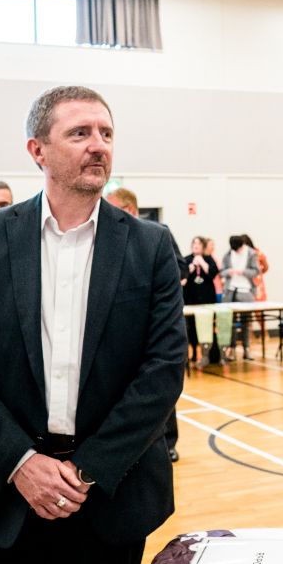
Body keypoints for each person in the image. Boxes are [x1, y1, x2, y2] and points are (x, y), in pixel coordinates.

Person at [0, 86, 186, 564]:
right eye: (79, 133)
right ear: (38, 150)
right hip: (1, 489)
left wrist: (86, 471)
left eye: (105, 133)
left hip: (106, 496)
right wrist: (19, 460)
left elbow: (163, 371)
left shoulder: (151, 245)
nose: (98, 146)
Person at [105, 185, 187, 461]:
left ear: (128, 208)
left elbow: (180, 268)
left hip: (155, 321)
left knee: (160, 381)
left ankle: (169, 442)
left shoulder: (156, 235)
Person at [221, 234, 260, 360]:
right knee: (230, 322)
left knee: (246, 322)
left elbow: (256, 271)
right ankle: (231, 349)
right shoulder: (228, 255)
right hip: (230, 290)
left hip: (246, 290)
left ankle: (246, 349)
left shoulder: (251, 254)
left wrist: (243, 272)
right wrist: (229, 272)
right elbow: (222, 271)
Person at [184, 235, 220, 369]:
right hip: (191, 298)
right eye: (194, 244)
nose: (196, 246)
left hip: (206, 298)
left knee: (207, 326)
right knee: (191, 327)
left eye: (198, 244)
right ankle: (193, 352)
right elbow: (182, 275)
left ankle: (207, 353)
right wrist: (192, 266)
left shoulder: (208, 258)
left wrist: (203, 263)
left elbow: (213, 273)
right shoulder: (187, 259)